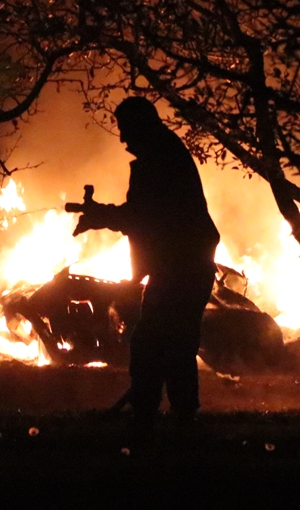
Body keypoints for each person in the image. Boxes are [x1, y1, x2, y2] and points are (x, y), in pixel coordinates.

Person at [69, 97, 219, 431]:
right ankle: (169, 414)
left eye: (125, 130)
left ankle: (153, 415)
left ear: (141, 125)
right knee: (171, 340)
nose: (123, 140)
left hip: (182, 264)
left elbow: (142, 217)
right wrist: (103, 215)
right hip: (183, 262)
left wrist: (101, 215)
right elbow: (143, 216)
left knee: (157, 340)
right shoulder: (164, 154)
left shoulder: (157, 161)